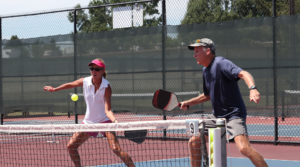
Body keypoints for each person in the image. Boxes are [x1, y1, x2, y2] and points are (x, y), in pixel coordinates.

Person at [180, 38, 268, 167]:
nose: (194, 55)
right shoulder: (205, 70)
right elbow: (208, 95)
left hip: (234, 114)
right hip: (217, 116)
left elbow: (243, 73)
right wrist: (189, 102)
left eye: (197, 51)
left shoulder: (221, 63)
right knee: (194, 141)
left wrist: (253, 89)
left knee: (244, 148)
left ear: (208, 51)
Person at [44, 58, 135, 167]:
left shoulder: (106, 87)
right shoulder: (85, 81)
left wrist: (115, 121)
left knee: (115, 148)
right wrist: (54, 89)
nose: (93, 71)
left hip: (104, 121)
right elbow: (71, 84)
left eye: (96, 69)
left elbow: (108, 110)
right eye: (92, 68)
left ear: (102, 71)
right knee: (71, 146)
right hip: (89, 122)